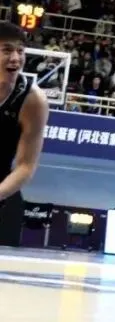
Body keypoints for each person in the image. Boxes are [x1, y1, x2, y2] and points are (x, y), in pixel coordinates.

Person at [0, 22, 49, 234]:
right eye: (7, 50)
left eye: (20, 51)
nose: (15, 58)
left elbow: (26, 166)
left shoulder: (33, 100)